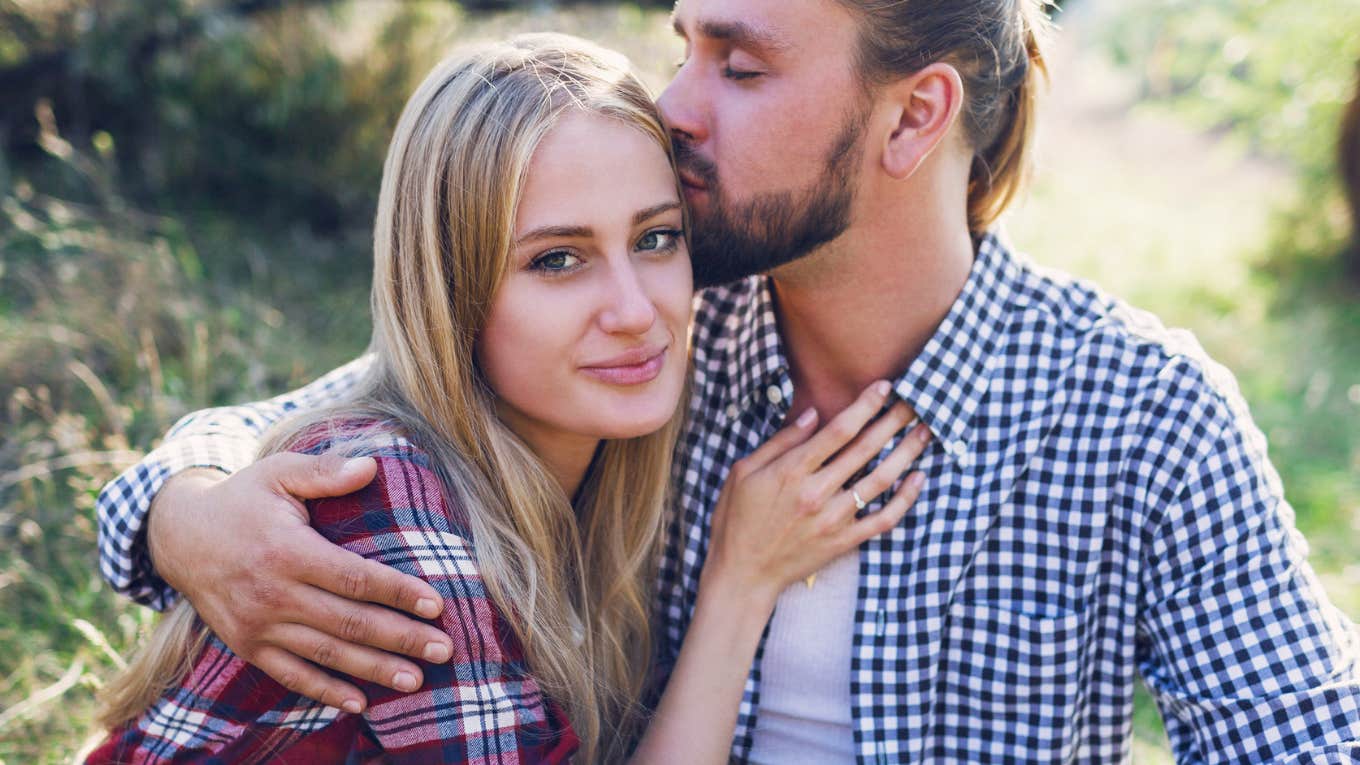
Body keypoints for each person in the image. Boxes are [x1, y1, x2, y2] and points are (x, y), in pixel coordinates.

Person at [98, 0, 1360, 762]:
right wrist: (184, 507)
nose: (677, 107)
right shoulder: (652, 339)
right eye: (683, 45)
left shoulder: (1140, 412)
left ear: (913, 118)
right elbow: (367, 407)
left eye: (740, 68)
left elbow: (1300, 733)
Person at [86, 33, 930, 763]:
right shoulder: (390, 507)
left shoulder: (567, 473)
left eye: (656, 237)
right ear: (452, 298)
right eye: (557, 259)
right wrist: (739, 584)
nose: (638, 313)